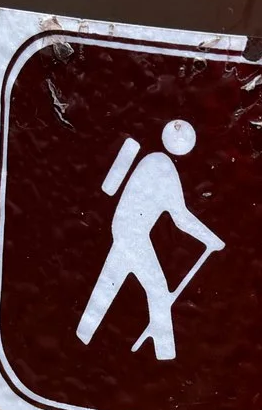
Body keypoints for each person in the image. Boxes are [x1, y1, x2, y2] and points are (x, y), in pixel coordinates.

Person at [75, 119, 223, 361]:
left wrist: (209, 238)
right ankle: (164, 352)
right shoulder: (163, 167)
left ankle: (84, 333)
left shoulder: (152, 160)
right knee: (157, 289)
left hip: (126, 231)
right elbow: (180, 217)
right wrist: (210, 239)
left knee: (110, 281)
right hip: (132, 234)